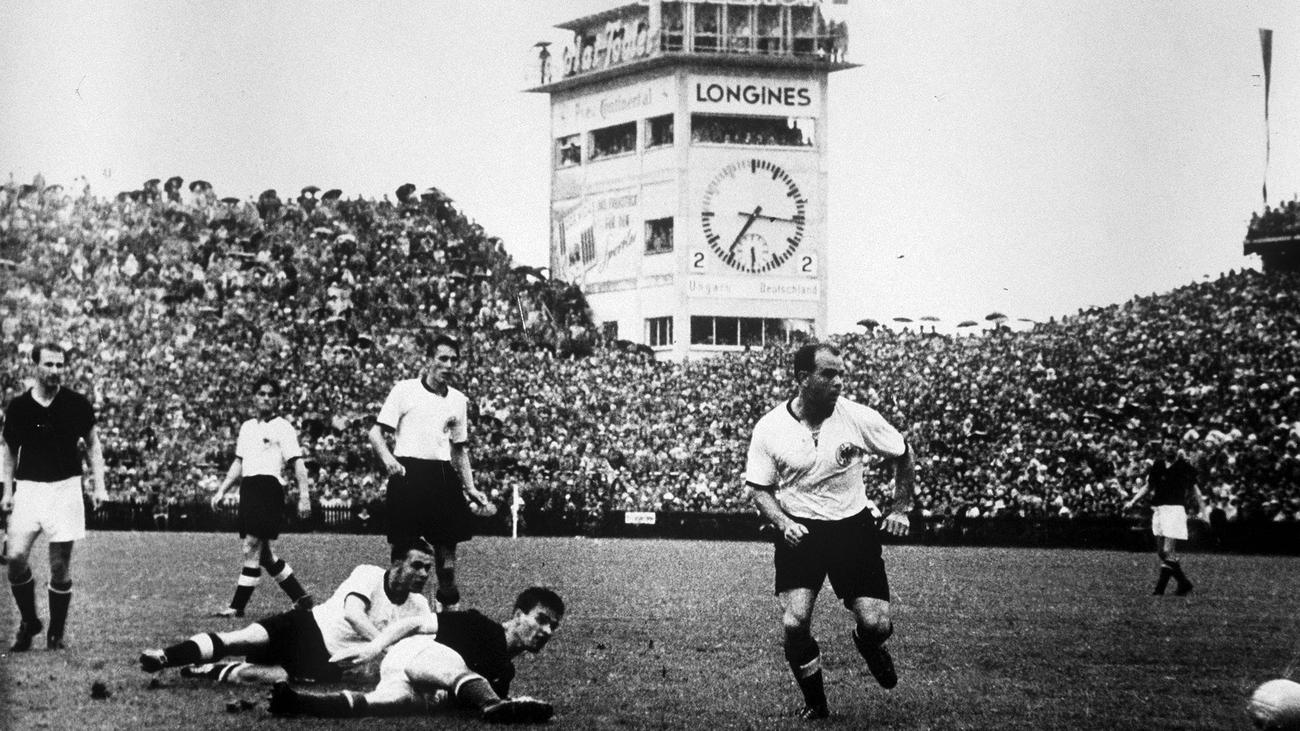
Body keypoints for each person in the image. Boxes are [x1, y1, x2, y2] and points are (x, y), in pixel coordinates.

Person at [745, 342, 915, 720]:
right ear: (803, 378)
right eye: (829, 374)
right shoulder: (770, 427)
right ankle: (816, 703)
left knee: (876, 624)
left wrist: (901, 508)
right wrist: (784, 523)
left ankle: (868, 644)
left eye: (841, 374)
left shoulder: (858, 417)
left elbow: (903, 453)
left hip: (852, 528)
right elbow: (759, 489)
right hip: (800, 530)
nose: (839, 382)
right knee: (794, 622)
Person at [139, 538, 439, 684]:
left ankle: (207, 670)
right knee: (241, 639)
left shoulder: (419, 607)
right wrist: (383, 647)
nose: (424, 574)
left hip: (325, 659)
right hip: (305, 625)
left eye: (428, 568)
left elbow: (424, 650)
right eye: (417, 565)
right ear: (396, 563)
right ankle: (165, 656)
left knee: (264, 676)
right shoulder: (369, 574)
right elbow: (353, 614)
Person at [267, 587, 564, 724]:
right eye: (541, 619)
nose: (547, 631)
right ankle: (493, 703)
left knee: (387, 704)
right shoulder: (480, 626)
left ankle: (295, 701)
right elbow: (414, 623)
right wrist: (373, 647)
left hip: (414, 683)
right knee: (454, 667)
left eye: (553, 626)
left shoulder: (505, 672)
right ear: (518, 615)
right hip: (412, 656)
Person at [368, 334, 491, 611]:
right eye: (442, 358)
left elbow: (459, 449)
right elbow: (375, 433)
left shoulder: (458, 400)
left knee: (447, 566)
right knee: (404, 562)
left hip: (442, 478)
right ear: (428, 360)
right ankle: (395, 619)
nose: (448, 365)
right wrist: (388, 459)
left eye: (453, 360)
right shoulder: (405, 390)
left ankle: (449, 622)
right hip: (408, 476)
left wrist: (470, 487)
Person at [1, 342, 108, 651]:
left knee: (59, 566)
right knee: (15, 557)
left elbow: (93, 445)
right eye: (48, 364)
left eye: (60, 365)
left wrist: (99, 485)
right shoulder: (20, 407)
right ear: (35, 366)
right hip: (29, 488)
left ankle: (55, 634)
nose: (55, 370)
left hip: (65, 488)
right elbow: (9, 450)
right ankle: (29, 621)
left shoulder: (76, 403)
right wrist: (7, 491)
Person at [209, 376, 313, 617]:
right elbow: (239, 461)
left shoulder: (283, 427)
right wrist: (222, 490)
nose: (266, 398)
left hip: (268, 488)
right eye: (261, 393)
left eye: (271, 394)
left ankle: (237, 607)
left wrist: (304, 496)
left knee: (250, 546)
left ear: (277, 399)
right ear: (254, 397)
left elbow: (297, 463)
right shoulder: (247, 427)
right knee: (264, 555)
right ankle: (301, 598)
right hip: (248, 488)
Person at [1122, 434, 1205, 596]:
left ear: (1177, 447)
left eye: (1173, 444)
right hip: (1159, 510)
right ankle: (1184, 583)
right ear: (1163, 446)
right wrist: (1132, 501)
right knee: (1162, 552)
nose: (1170, 446)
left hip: (1175, 509)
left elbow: (1196, 490)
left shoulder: (1184, 466)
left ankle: (1159, 590)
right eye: (1168, 443)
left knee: (1168, 550)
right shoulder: (1158, 465)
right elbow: (1148, 486)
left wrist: (1204, 512)